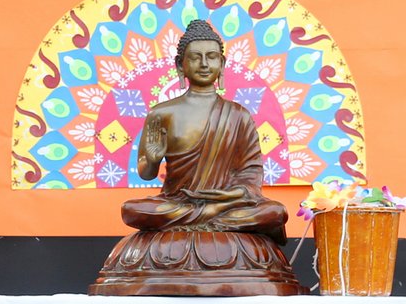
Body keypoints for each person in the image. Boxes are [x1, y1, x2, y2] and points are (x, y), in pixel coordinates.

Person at [122, 19, 289, 245]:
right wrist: (152, 160)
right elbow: (146, 173)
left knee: (276, 212)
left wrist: (231, 195)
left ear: (222, 63)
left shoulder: (238, 114)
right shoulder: (161, 113)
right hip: (179, 201)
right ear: (180, 65)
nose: (203, 64)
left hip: (225, 203)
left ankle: (206, 216)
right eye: (195, 57)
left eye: (211, 57)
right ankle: (213, 218)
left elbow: (251, 172)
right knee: (131, 210)